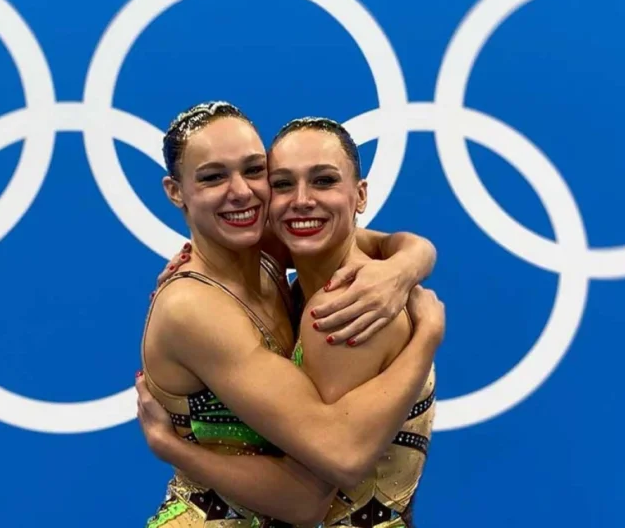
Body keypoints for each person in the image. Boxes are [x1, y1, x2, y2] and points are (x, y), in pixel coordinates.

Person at [137, 104, 444, 527]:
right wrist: (428, 335)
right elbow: (316, 488)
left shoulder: (271, 258)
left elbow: (387, 241)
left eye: (254, 171)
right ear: (176, 191)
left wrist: (408, 264)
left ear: (361, 193)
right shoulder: (195, 306)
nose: (241, 191)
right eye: (212, 176)